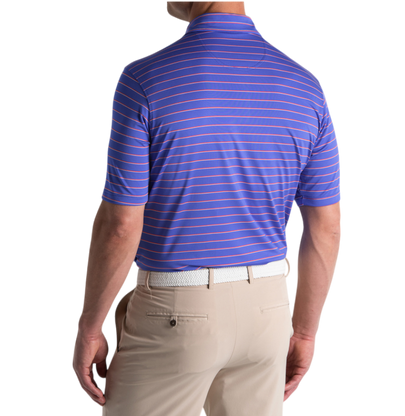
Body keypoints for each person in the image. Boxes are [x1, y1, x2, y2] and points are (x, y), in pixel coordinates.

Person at [70, 0, 344, 415]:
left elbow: (122, 223)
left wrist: (91, 328)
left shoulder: (144, 79)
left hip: (175, 312)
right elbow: (327, 227)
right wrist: (306, 333)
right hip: (268, 312)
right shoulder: (307, 86)